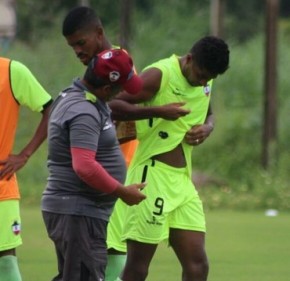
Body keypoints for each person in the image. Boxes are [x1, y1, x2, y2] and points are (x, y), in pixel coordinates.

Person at [62, 6, 197, 281]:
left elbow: (121, 120)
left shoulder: (117, 68)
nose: (77, 50)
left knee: (111, 261)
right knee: (101, 263)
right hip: (101, 179)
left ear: (99, 33)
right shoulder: (102, 71)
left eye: (81, 43)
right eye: (73, 46)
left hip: (118, 177)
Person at [115, 36, 230, 281]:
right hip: (151, 178)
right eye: (200, 74)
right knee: (138, 267)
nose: (203, 82)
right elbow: (113, 103)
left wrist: (208, 128)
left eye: (209, 78)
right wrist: (157, 111)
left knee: (198, 266)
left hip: (182, 182)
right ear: (189, 59)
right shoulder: (160, 75)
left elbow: (210, 114)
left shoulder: (204, 81)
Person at [41, 48, 148, 281]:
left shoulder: (81, 99)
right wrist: (122, 192)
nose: (122, 93)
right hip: (78, 212)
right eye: (121, 88)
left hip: (78, 212)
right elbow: (84, 166)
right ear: (108, 88)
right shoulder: (84, 111)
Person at [0, 57, 53, 281]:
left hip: (1, 186)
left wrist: (25, 154)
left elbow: (52, 109)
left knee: (5, 261)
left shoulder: (11, 71)